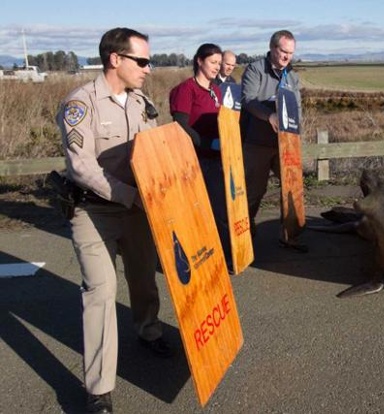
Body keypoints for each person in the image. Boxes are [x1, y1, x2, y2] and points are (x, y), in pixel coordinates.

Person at [56, 27, 173, 414]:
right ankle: (99, 389)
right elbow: (81, 166)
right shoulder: (80, 104)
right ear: (115, 59)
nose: (149, 69)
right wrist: (129, 195)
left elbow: (154, 150)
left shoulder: (142, 102)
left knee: (143, 277)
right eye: (142, 61)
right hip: (94, 212)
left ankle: (148, 330)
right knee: (101, 292)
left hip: (138, 211)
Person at [169, 43, 234, 271]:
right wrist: (208, 144)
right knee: (205, 211)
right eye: (213, 62)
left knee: (220, 209)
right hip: (196, 160)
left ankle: (222, 255)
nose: (217, 67)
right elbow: (181, 126)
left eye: (219, 63)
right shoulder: (186, 90)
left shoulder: (215, 90)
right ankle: (210, 259)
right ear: (199, 61)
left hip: (218, 159)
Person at [240, 29, 306, 251]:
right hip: (257, 143)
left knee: (292, 187)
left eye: (291, 53)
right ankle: (244, 234)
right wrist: (269, 116)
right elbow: (248, 100)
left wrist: (297, 132)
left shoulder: (292, 76)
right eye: (283, 51)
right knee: (254, 191)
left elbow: (296, 107)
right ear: (272, 48)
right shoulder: (256, 69)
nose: (287, 57)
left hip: (284, 144)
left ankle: (289, 235)